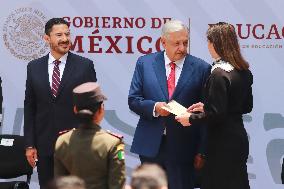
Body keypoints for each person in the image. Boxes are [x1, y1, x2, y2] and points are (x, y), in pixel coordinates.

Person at [128, 19, 211, 189]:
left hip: (185, 148)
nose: (182, 48)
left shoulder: (202, 68)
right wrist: (155, 108)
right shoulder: (145, 63)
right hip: (151, 146)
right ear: (163, 42)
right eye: (176, 43)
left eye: (185, 43)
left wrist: (202, 151)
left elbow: (206, 113)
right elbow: (134, 100)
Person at [176, 22, 253, 189]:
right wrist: (209, 106)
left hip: (221, 143)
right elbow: (246, 106)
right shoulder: (243, 71)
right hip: (238, 139)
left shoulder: (219, 73)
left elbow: (217, 115)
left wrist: (190, 118)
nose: (208, 46)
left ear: (215, 43)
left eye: (209, 42)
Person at [24, 18, 97, 188]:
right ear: (46, 38)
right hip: (44, 146)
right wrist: (29, 144)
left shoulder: (85, 66)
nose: (65, 39)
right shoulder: (33, 67)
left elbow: (93, 106)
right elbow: (30, 107)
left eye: (67, 34)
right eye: (59, 35)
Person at [54, 82, 125, 189]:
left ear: (75, 110)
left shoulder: (62, 140)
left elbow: (60, 182)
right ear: (101, 109)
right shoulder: (113, 142)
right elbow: (117, 185)